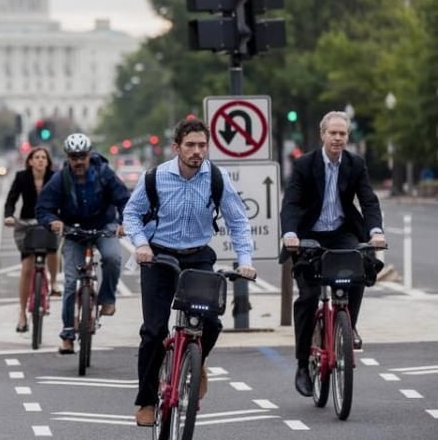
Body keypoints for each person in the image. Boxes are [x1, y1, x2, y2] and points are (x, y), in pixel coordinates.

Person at [122, 117, 256, 427]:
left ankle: (195, 362)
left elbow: (237, 221)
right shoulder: (155, 177)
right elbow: (131, 214)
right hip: (159, 258)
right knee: (154, 332)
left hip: (197, 257)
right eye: (190, 145)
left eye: (202, 146)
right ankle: (146, 399)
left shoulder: (216, 179)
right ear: (176, 148)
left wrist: (245, 259)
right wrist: (141, 244)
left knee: (211, 324)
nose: (197, 151)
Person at [279, 110, 386, 398]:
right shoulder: (304, 164)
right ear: (322, 134)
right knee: (309, 297)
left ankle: (349, 326)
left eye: (343, 134)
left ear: (347, 137)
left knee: (359, 268)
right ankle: (303, 363)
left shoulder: (355, 164)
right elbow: (290, 203)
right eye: (333, 133)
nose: (338, 138)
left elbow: (368, 201)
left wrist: (375, 230)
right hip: (308, 235)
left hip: (341, 232)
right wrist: (290, 234)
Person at [36, 132, 130, 355]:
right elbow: (43, 208)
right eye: (74, 157)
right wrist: (54, 222)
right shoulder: (60, 179)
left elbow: (125, 200)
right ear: (68, 157)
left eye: (82, 156)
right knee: (70, 283)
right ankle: (67, 334)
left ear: (89, 155)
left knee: (113, 257)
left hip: (103, 226)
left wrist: (123, 223)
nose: (78, 161)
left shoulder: (104, 174)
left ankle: (107, 299)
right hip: (73, 230)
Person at [3, 146, 58, 333]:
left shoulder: (55, 177)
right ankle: (22, 313)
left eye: (44, 157)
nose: (41, 160)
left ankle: (54, 283)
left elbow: (64, 199)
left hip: (49, 222)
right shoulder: (21, 177)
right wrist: (9, 216)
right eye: (37, 157)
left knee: (53, 250)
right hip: (27, 223)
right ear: (30, 161)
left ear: (48, 162)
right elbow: (11, 200)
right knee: (27, 268)